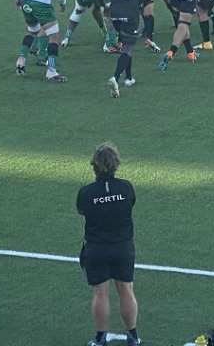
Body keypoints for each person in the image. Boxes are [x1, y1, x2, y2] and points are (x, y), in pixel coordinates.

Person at [76, 142, 140, 346]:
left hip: (97, 248)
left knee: (100, 293)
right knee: (127, 291)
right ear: (116, 164)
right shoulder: (126, 188)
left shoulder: (86, 193)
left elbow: (82, 211)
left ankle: (101, 339)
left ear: (94, 165)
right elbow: (130, 204)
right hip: (123, 247)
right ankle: (132, 336)